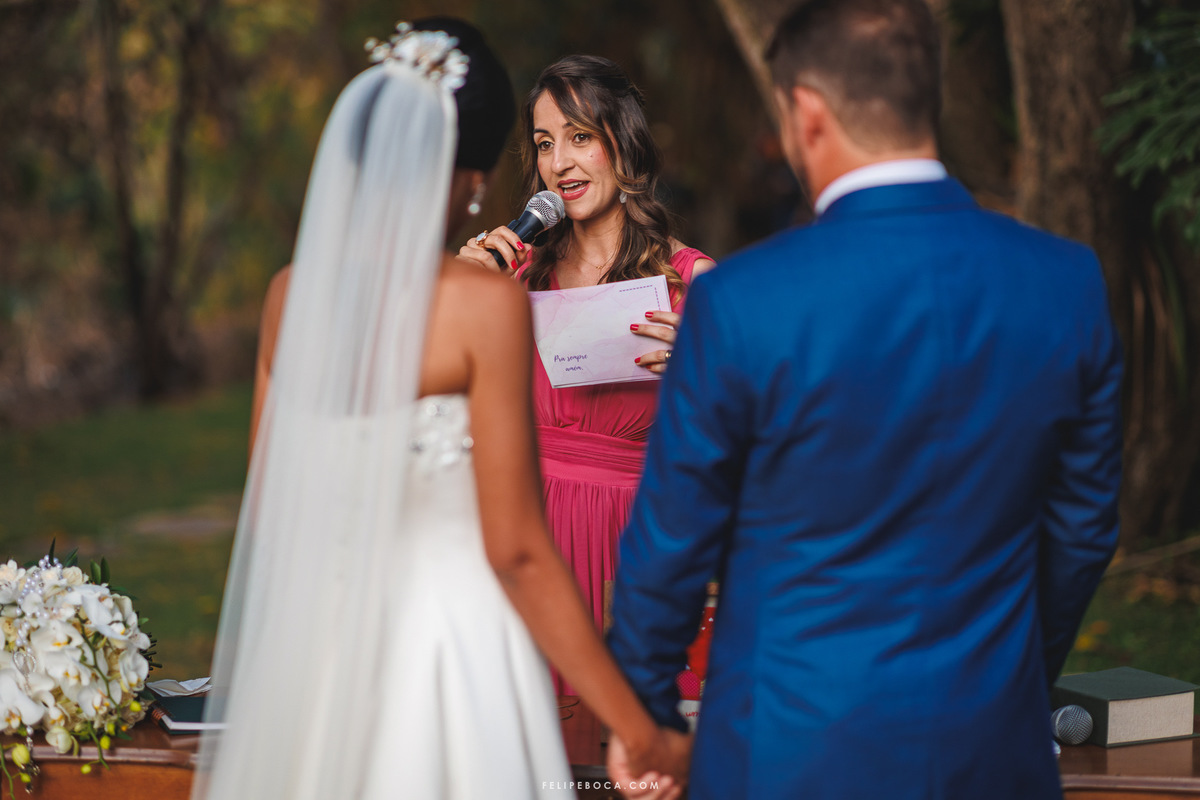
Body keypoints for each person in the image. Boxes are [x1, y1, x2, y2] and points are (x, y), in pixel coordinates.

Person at [605, 1, 1123, 798]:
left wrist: (645, 716)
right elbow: (1081, 533)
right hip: (992, 747)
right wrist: (1011, 680)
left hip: (787, 749)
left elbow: (672, 541)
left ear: (807, 112)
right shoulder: (1067, 284)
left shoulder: (743, 300)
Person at [195, 19, 687, 800]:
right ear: (476, 177)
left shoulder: (287, 298)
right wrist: (641, 729)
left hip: (321, 660)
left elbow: (267, 516)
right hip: (448, 654)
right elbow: (517, 552)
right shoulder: (485, 304)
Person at [456, 57, 714, 683]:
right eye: (545, 144)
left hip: (634, 545)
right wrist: (460, 294)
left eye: (580, 137)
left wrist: (704, 372)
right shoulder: (514, 276)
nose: (560, 163)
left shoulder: (693, 283)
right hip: (522, 536)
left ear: (623, 145)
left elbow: (746, 443)